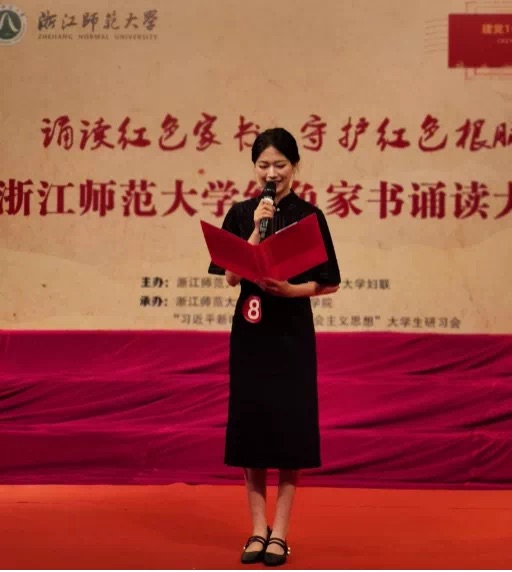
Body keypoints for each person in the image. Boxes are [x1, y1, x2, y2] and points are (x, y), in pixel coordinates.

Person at [208, 127, 341, 566]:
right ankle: (256, 529)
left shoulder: (309, 216)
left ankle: (280, 532)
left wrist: (290, 290)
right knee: (252, 428)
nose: (271, 173)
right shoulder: (241, 212)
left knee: (289, 429)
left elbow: (328, 283)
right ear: (254, 168)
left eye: (280, 165)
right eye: (263, 165)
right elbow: (230, 277)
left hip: (291, 332)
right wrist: (253, 232)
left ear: (294, 167)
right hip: (250, 331)